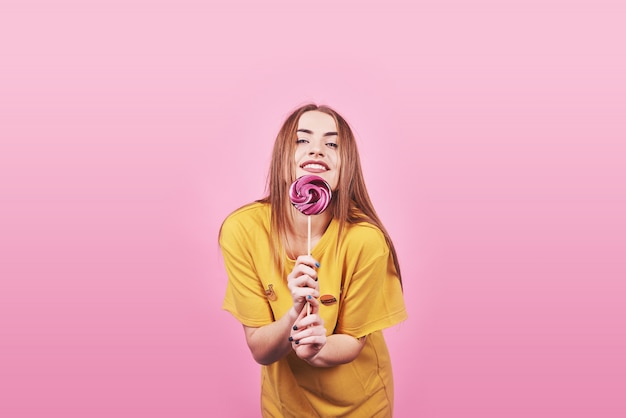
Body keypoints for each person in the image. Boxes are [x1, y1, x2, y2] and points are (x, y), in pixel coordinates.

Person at [219, 104, 407, 417]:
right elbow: (260, 349)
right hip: (285, 407)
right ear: (282, 163)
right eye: (302, 140)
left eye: (332, 144)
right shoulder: (242, 231)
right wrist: (293, 313)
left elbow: (352, 342)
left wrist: (316, 350)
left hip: (361, 406)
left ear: (345, 167)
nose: (317, 150)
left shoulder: (365, 240)